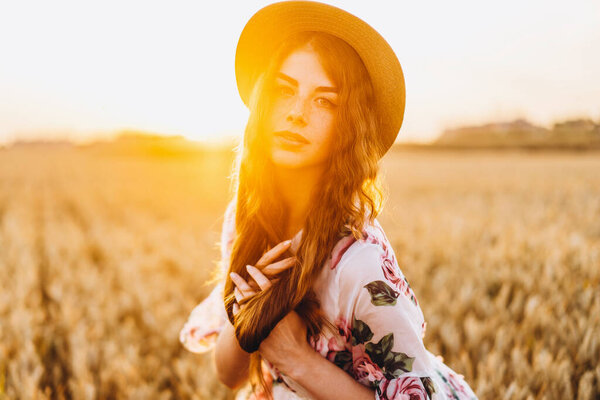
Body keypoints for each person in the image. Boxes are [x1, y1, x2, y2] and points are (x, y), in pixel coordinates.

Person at [180, 2, 478, 399]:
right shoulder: (247, 218)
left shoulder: (360, 262)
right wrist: (247, 319)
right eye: (284, 91)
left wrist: (296, 358)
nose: (297, 114)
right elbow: (229, 375)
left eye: (324, 101)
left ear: (347, 126)